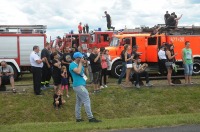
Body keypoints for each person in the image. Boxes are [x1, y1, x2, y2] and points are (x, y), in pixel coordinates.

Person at [69, 52, 102, 123]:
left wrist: (86, 66)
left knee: (79, 102)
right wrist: (81, 63)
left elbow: (85, 75)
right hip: (78, 85)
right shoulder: (72, 65)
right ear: (76, 58)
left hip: (81, 85)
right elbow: (78, 71)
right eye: (81, 57)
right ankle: (90, 118)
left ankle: (78, 118)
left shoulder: (80, 65)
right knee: (87, 99)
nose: (82, 59)